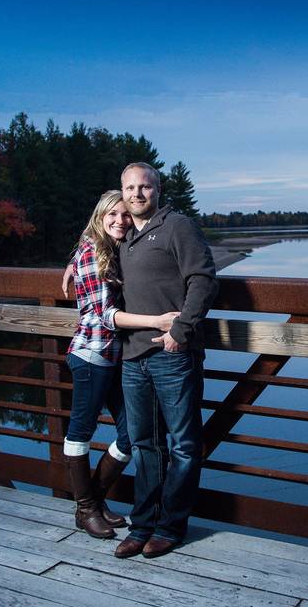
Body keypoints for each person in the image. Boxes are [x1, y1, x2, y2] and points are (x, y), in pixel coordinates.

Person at [112, 162, 219, 559]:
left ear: (157, 191)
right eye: (129, 187)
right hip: (133, 356)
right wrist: (74, 262)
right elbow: (94, 249)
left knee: (185, 445)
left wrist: (181, 331)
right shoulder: (124, 236)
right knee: (144, 445)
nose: (137, 194)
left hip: (172, 356)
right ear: (122, 192)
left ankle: (170, 527)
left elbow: (203, 279)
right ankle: (141, 526)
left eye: (144, 187)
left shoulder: (177, 226)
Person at [61, 190, 179, 539]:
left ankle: (93, 503)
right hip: (91, 356)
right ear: (100, 216)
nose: (120, 220)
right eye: (112, 214)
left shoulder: (114, 248)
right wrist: (157, 322)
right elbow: (105, 315)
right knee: (80, 432)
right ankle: (86, 509)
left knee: (131, 433)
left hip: (115, 359)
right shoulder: (91, 253)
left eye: (126, 214)